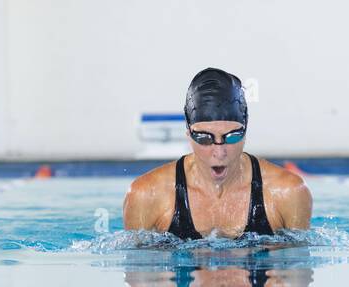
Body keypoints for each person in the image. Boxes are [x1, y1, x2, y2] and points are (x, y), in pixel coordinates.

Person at [123, 68, 312, 238]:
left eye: (231, 137)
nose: (219, 152)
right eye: (204, 138)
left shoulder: (287, 193)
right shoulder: (147, 196)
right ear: (188, 134)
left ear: (245, 132)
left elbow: (294, 269)